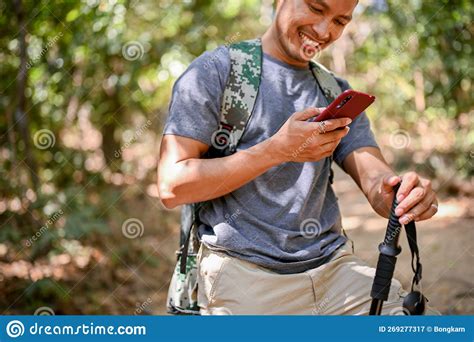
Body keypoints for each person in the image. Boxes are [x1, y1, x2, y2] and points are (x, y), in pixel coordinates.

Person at [158, 0, 440, 315]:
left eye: (340, 21)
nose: (324, 31)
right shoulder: (216, 73)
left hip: (335, 271)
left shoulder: (334, 90)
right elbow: (172, 187)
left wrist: (400, 195)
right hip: (244, 275)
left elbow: (375, 178)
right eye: (316, 9)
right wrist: (276, 149)